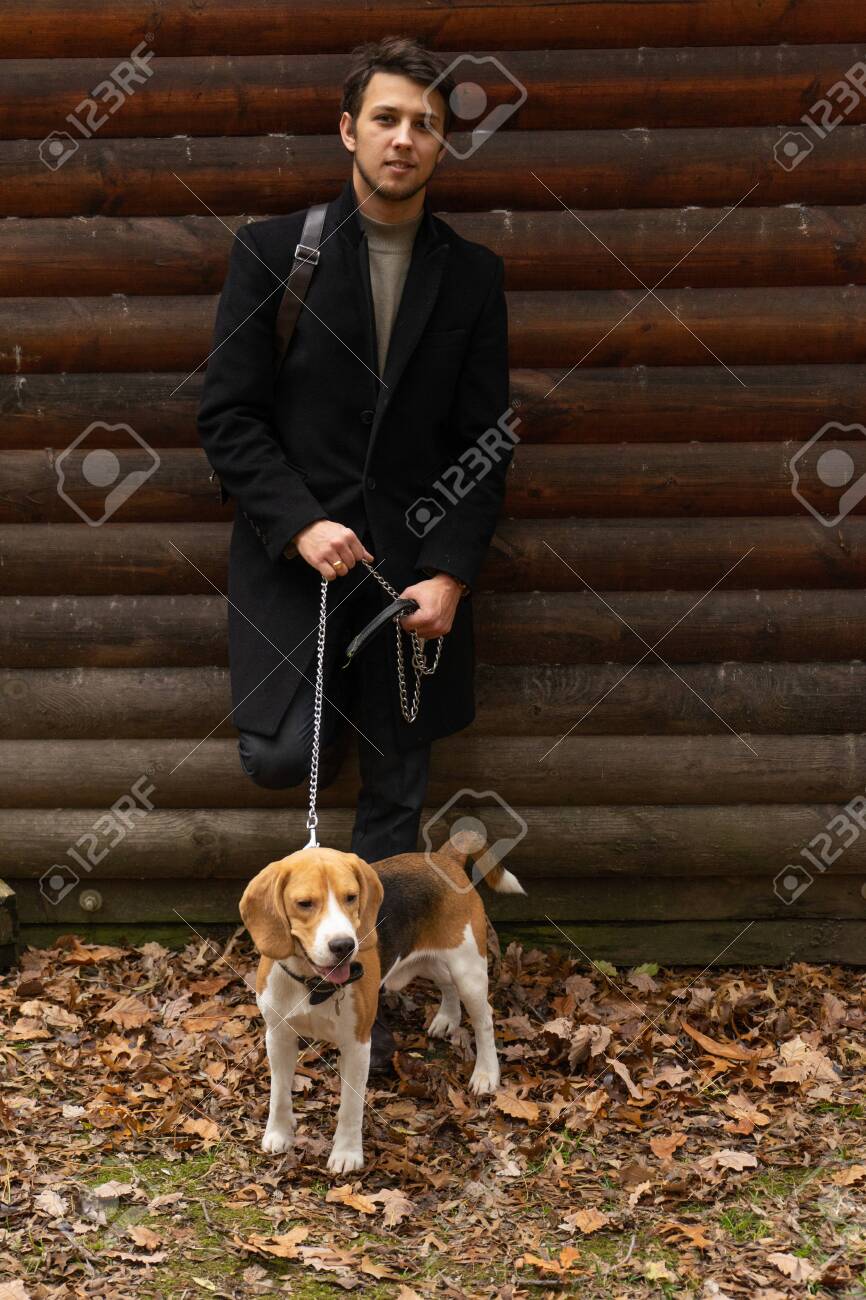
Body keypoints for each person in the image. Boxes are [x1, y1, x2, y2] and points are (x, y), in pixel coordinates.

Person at [196, 35, 513, 1069]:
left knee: (397, 792)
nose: (404, 137)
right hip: (299, 569)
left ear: (440, 144)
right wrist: (297, 519)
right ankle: (302, 954)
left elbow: (484, 435)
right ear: (348, 130)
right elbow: (228, 415)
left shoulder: (471, 276)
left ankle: (360, 1017)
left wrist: (451, 571)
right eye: (385, 118)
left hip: (413, 583)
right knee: (284, 757)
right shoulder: (272, 250)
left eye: (424, 122)